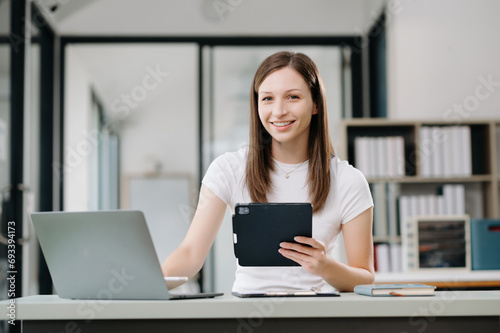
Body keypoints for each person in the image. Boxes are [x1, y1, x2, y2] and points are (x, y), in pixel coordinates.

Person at [161, 51, 374, 293]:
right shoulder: (228, 169)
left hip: (314, 315)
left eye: (293, 97)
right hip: (245, 314)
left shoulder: (348, 180)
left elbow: (365, 279)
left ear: (315, 104)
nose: (279, 111)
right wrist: (148, 285)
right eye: (267, 99)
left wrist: (325, 266)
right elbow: (189, 255)